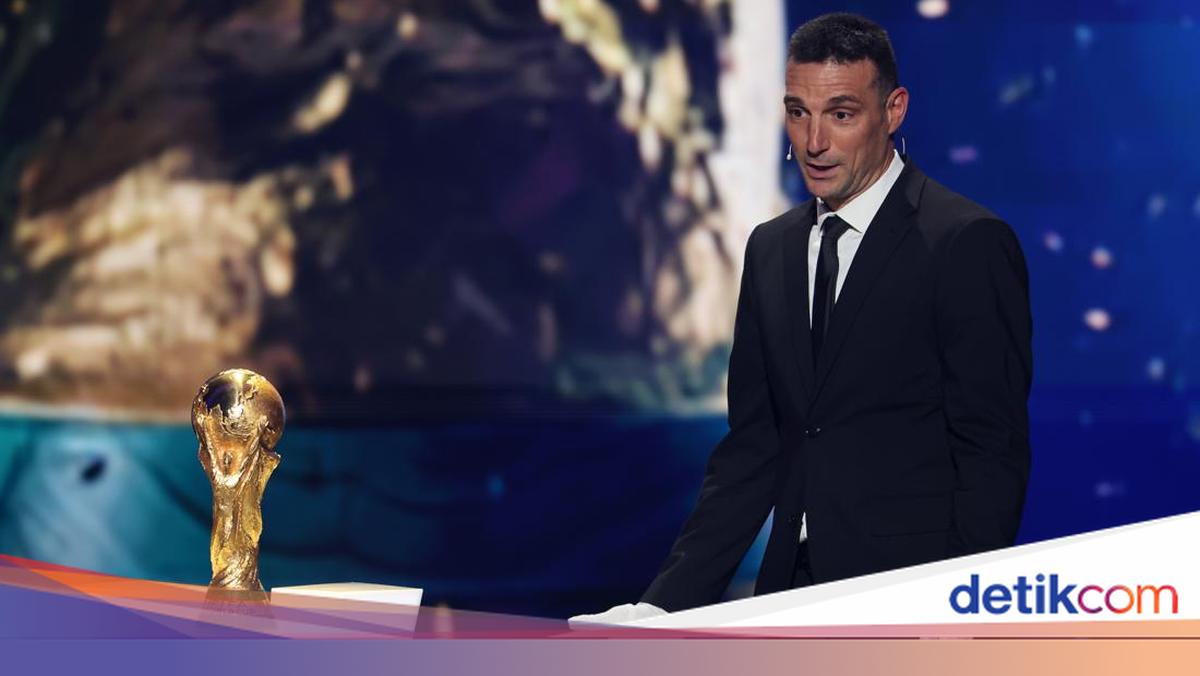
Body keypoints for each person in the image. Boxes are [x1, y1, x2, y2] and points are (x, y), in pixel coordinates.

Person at [571, 12, 1032, 625]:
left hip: (906, 605)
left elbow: (991, 452)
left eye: (841, 114)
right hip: (790, 595)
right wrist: (660, 606)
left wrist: (955, 613)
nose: (814, 141)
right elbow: (754, 451)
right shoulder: (772, 248)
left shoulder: (963, 242)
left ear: (893, 111)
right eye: (797, 112)